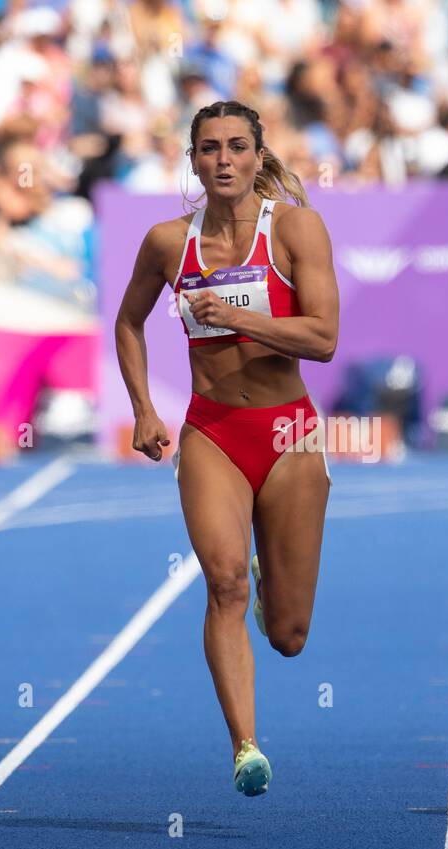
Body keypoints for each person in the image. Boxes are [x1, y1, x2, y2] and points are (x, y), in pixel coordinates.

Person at [113, 101, 339, 796]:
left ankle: (279, 591)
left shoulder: (296, 228)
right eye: (208, 148)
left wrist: (238, 315)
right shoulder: (165, 242)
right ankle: (245, 746)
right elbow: (128, 322)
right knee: (223, 582)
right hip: (212, 431)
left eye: (237, 146)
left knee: (291, 635)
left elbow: (324, 340)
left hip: (288, 433)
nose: (223, 160)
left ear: (256, 154)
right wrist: (145, 407)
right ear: (193, 159)